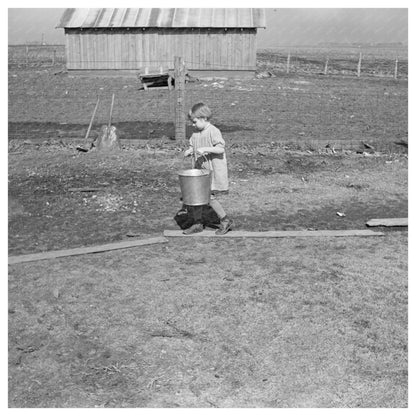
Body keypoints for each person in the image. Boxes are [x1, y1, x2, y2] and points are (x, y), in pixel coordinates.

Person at [182, 103, 234, 235]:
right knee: (196, 196)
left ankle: (225, 220)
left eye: (194, 122)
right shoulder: (195, 134)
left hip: (211, 171)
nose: (193, 125)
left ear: (203, 118)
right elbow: (192, 145)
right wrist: (189, 150)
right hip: (200, 171)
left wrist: (205, 149)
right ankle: (197, 223)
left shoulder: (213, 131)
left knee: (208, 197)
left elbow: (220, 148)